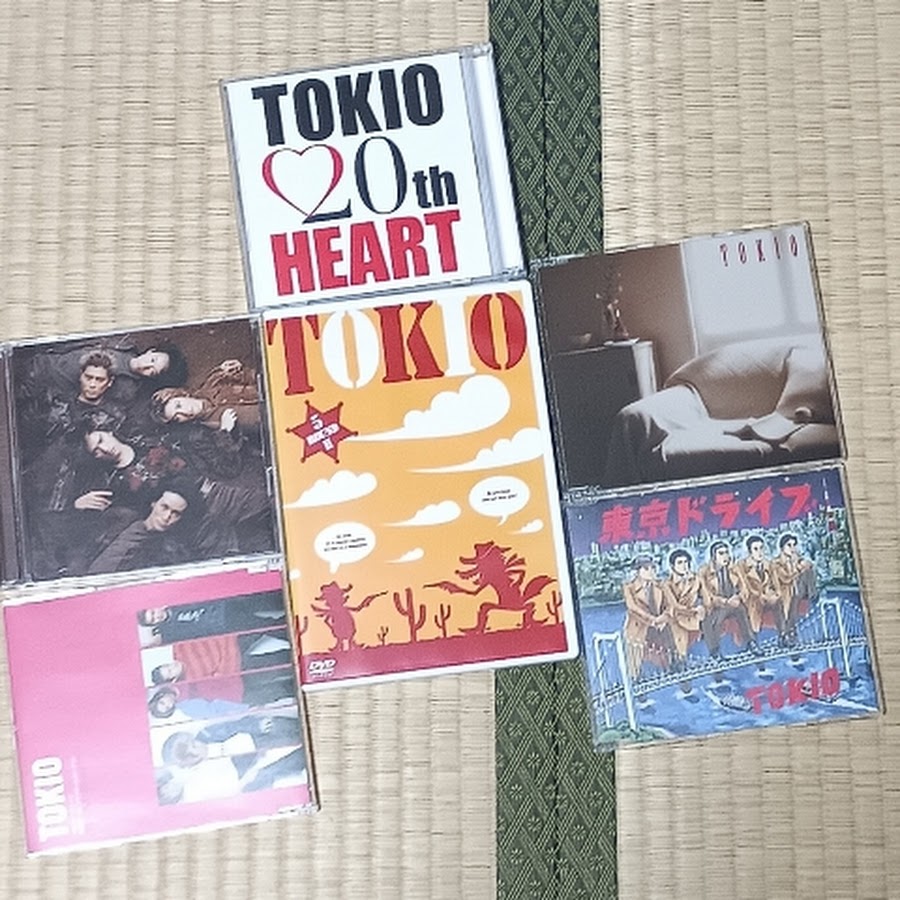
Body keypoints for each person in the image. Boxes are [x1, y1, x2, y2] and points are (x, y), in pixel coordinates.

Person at [86, 481, 198, 574]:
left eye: (176, 514)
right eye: (164, 507)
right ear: (154, 503)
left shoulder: (171, 552)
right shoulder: (122, 518)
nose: (166, 517)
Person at [149, 358, 260, 431]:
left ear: (182, 394)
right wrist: (226, 432)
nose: (185, 412)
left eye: (179, 405)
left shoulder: (213, 381)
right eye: (177, 418)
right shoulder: (212, 429)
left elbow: (252, 375)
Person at [138, 591, 286, 645]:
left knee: (270, 601)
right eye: (153, 620)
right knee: (265, 625)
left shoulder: (173, 598)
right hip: (223, 623)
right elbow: (156, 642)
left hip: (226, 603)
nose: (157, 616)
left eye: (153, 613)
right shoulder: (170, 631)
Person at [698, 542, 760, 658]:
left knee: (742, 610)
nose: (725, 557)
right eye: (721, 554)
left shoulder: (734, 568)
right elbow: (707, 596)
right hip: (717, 606)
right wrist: (725, 602)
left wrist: (738, 597)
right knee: (712, 621)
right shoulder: (704, 572)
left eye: (727, 553)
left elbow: (744, 588)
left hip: (734, 603)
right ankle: (715, 651)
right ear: (713, 557)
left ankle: (751, 642)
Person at [622, 555, 674, 679]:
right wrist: (653, 621)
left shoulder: (660, 585)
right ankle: (635, 680)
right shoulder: (629, 588)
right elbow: (633, 608)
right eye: (646, 569)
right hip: (639, 630)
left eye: (652, 568)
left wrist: (663, 618)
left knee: (668, 662)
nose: (651, 572)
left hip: (660, 629)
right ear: (637, 571)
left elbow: (670, 606)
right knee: (635, 665)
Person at [735, 535, 786, 642]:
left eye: (761, 548)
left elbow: (777, 585)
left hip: (767, 597)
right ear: (750, 551)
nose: (760, 552)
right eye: (756, 549)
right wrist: (760, 595)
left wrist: (776, 595)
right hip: (752, 599)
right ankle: (752, 641)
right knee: (752, 606)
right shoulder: (741, 566)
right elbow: (745, 587)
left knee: (778, 602)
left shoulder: (769, 564)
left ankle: (783, 635)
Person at [661, 549, 704, 666]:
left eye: (686, 562)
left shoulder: (696, 579)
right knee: (676, 625)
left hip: (695, 614)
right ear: (672, 566)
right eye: (680, 563)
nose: (684, 566)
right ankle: (681, 659)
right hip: (677, 614)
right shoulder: (666, 584)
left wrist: (700, 607)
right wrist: (693, 611)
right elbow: (675, 605)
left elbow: (704, 596)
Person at [771, 533, 816, 640]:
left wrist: (803, 564)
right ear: (782, 548)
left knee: (808, 570)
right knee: (793, 599)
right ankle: (789, 632)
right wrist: (798, 569)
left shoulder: (797, 559)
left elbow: (809, 565)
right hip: (784, 592)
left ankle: (812, 594)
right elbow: (785, 578)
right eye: (789, 545)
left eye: (794, 545)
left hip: (797, 590)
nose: (792, 548)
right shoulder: (776, 563)